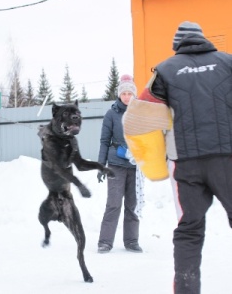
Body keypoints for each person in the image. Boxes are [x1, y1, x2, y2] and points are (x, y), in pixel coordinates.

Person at [123, 21, 232, 294]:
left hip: (186, 165)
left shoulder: (165, 71)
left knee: (189, 231)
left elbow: (135, 120)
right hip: (228, 160)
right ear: (202, 39)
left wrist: (155, 163)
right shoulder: (227, 63)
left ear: (177, 46)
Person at [97, 74, 144, 254]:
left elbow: (147, 139)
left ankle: (131, 241)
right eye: (123, 93)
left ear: (133, 94)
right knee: (114, 204)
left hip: (135, 165)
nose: (126, 96)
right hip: (115, 165)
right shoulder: (111, 114)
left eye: (129, 93)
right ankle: (105, 242)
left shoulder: (140, 113)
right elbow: (104, 141)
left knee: (132, 205)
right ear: (119, 94)